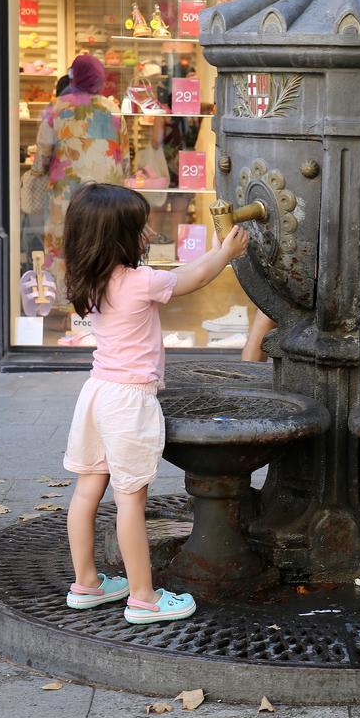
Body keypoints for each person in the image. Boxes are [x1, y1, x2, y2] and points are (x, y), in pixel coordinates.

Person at [61, 183, 249, 624]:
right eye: (140, 227)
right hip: (130, 402)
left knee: (88, 489)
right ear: (120, 237)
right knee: (130, 499)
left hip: (97, 393)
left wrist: (216, 252)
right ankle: (143, 597)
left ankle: (86, 582)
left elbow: (184, 270)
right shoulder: (139, 281)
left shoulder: (91, 277)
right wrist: (226, 253)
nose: (147, 233)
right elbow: (193, 278)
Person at [26, 53, 125, 286]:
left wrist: (38, 173)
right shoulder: (113, 109)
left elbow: (42, 154)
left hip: (66, 193)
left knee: (63, 245)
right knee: (101, 242)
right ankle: (101, 296)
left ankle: (63, 299)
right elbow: (124, 157)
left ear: (74, 77)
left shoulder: (57, 108)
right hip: (106, 194)